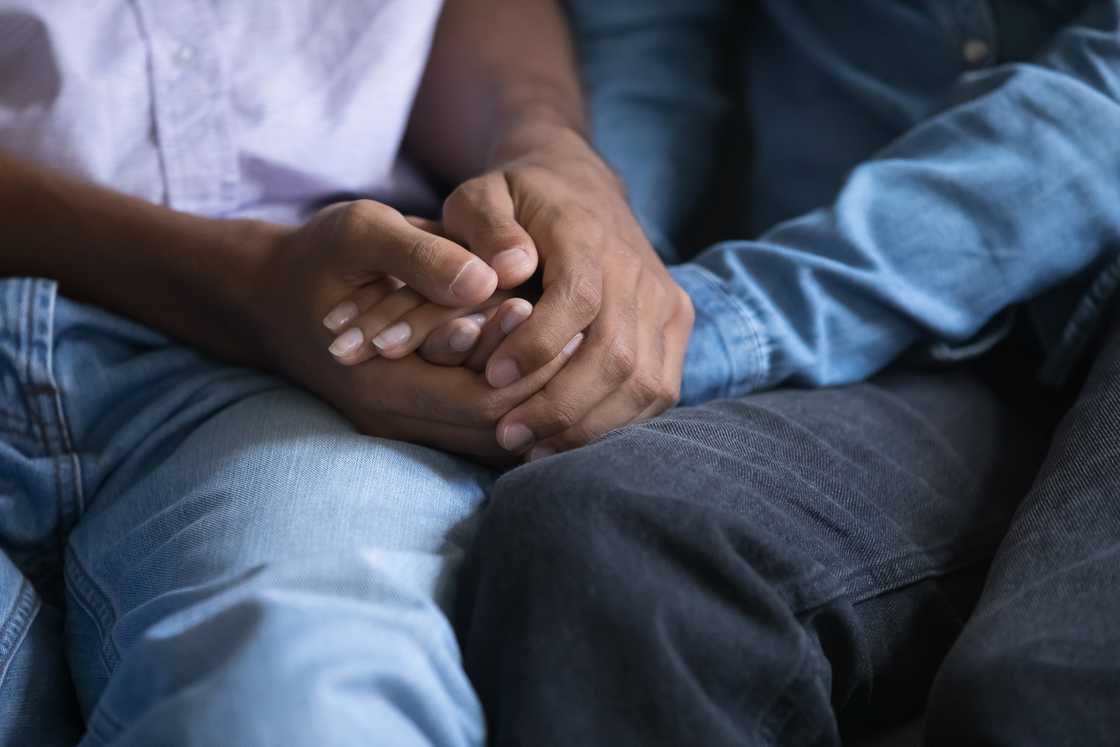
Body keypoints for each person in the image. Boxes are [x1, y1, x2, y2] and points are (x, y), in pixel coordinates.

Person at [0, 1, 692, 744]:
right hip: (305, 326)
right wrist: (242, 282)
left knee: (303, 690)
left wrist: (546, 143)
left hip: (309, 362)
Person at [457, 1, 1120, 744]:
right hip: (884, 360)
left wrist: (703, 327)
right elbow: (654, 37)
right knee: (605, 539)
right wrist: (600, 284)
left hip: (1020, 311)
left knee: (1052, 691)